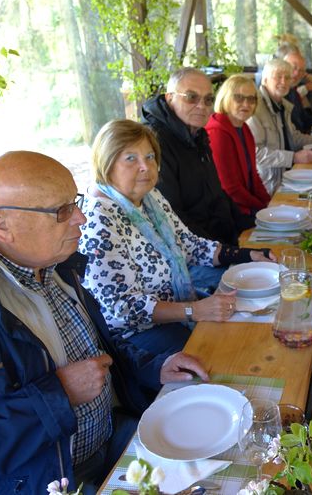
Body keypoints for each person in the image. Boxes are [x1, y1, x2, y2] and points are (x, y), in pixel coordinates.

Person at [0, 151, 210, 494]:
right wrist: (56, 397)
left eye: (75, 202)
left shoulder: (55, 260)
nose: (81, 219)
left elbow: (98, 350)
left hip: (113, 438)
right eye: (61, 211)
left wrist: (154, 367)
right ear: (1, 224)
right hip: (50, 480)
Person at [80, 120, 273, 357]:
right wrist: (194, 310)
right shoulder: (98, 219)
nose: (145, 167)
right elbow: (124, 308)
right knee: (222, 351)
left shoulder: (150, 197)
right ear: (106, 163)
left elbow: (188, 244)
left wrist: (247, 254)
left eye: (150, 157)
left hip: (178, 307)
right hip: (134, 336)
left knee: (249, 323)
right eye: (130, 158)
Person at [142, 67, 252, 246]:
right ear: (170, 98)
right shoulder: (154, 142)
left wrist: (250, 223)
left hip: (219, 238)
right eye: (191, 97)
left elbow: (217, 194)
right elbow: (172, 218)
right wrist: (222, 251)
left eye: (208, 99)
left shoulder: (197, 134)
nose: (202, 106)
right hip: (194, 253)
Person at [247, 58, 312, 194]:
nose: (283, 82)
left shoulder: (282, 105)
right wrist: (293, 157)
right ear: (265, 80)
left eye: (287, 78)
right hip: (268, 187)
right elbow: (256, 154)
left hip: (288, 178)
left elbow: (295, 138)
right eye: (278, 77)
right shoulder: (255, 109)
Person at [206, 74, 271, 218]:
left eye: (251, 99)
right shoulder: (217, 132)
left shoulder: (244, 128)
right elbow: (230, 188)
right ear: (226, 98)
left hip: (247, 205)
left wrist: (268, 202)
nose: (246, 104)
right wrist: (262, 207)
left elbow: (253, 175)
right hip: (231, 212)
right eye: (239, 98)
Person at [280, 48, 312, 134]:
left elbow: (305, 120)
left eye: (301, 71)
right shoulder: (278, 96)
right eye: (293, 67)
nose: (296, 74)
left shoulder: (293, 93)